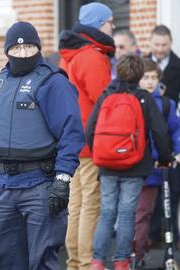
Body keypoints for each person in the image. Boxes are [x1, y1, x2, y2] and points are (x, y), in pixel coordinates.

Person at [0, 21, 84, 269]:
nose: (23, 54)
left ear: (38, 48)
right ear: (7, 51)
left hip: (41, 185)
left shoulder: (52, 82)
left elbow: (71, 132)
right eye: (17, 49)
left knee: (41, 261)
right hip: (5, 186)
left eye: (29, 48)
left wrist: (62, 180)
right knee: (4, 259)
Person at [86, 55, 171, 270]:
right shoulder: (144, 98)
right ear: (140, 74)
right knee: (126, 213)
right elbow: (159, 131)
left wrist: (99, 152)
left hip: (106, 164)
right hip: (134, 165)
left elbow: (90, 128)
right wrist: (163, 158)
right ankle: (121, 261)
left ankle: (97, 261)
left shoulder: (106, 94)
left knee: (106, 212)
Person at [58, 3, 115, 269]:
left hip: (70, 138)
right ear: (99, 24)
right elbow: (104, 99)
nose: (112, 26)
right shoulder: (92, 56)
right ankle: (84, 263)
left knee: (76, 205)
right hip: (89, 140)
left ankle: (74, 262)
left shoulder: (70, 54)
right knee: (90, 204)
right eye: (109, 21)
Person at [134, 59, 180, 263]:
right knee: (134, 213)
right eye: (145, 77)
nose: (150, 82)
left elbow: (176, 130)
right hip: (131, 165)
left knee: (144, 213)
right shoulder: (130, 100)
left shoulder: (166, 104)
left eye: (153, 77)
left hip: (156, 168)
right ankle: (131, 252)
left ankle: (137, 253)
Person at [148, 25, 180, 103]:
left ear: (171, 43)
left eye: (164, 45)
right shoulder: (139, 65)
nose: (160, 49)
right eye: (156, 44)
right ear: (150, 42)